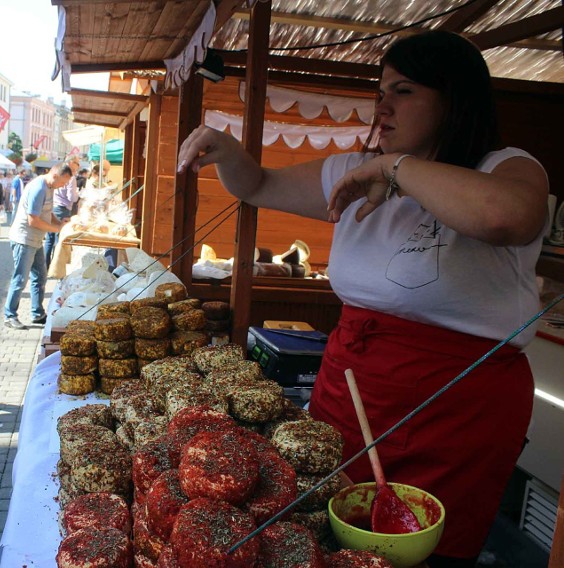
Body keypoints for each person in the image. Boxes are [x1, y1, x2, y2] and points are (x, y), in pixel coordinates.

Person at [178, 31, 549, 567]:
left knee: (428, 548)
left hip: (458, 406)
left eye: (403, 91)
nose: (383, 107)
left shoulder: (503, 167)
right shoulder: (351, 170)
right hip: (353, 387)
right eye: (380, 92)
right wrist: (230, 152)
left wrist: (393, 170)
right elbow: (258, 184)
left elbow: (505, 216)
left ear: (454, 98)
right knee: (331, 536)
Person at [4, 163, 74, 329]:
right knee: (20, 279)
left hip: (35, 240)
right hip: (24, 239)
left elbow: (47, 212)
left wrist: (59, 223)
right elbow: (33, 220)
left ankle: (37, 313)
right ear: (55, 175)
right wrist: (56, 229)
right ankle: (10, 315)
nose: (63, 186)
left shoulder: (49, 187)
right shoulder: (39, 188)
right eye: (63, 183)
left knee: (40, 277)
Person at [43, 156, 80, 268]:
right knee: (59, 240)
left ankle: (46, 265)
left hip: (55, 206)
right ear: (70, 163)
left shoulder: (59, 175)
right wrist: (78, 195)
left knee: (50, 239)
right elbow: (71, 197)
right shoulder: (70, 178)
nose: (76, 168)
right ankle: (55, 266)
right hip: (63, 208)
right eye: (76, 164)